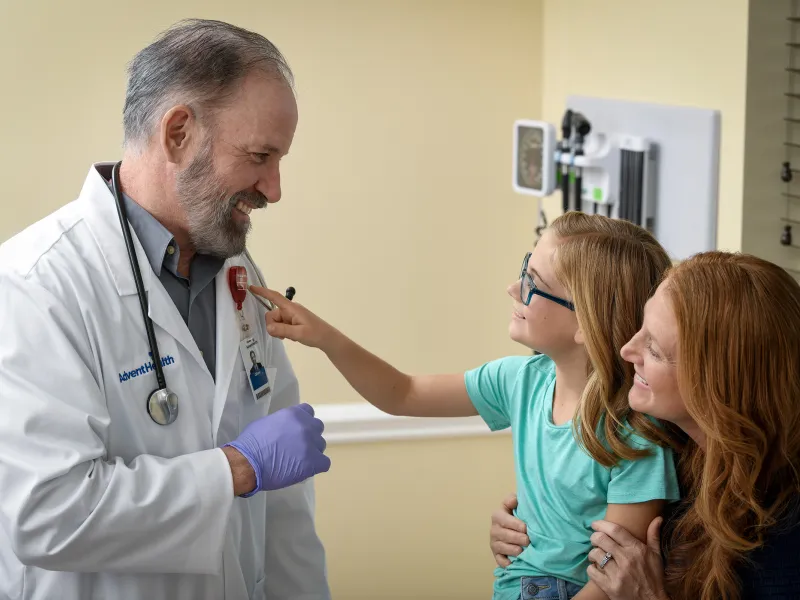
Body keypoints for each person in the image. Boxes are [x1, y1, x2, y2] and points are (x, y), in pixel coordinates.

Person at [0, 19, 331, 600]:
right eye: (259, 155)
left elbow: (285, 505)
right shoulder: (36, 284)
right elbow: (45, 512)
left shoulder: (239, 273)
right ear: (178, 132)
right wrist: (235, 470)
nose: (274, 188)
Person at [252, 212, 683, 600]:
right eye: (523, 270)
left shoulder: (633, 436)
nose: (513, 288)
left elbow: (613, 579)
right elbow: (401, 393)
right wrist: (324, 336)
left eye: (534, 284)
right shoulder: (522, 381)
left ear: (585, 323)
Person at [488, 252, 800, 600]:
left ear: (719, 384)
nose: (626, 350)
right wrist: (530, 538)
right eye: (641, 327)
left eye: (654, 348)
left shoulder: (784, 541)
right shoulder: (670, 452)